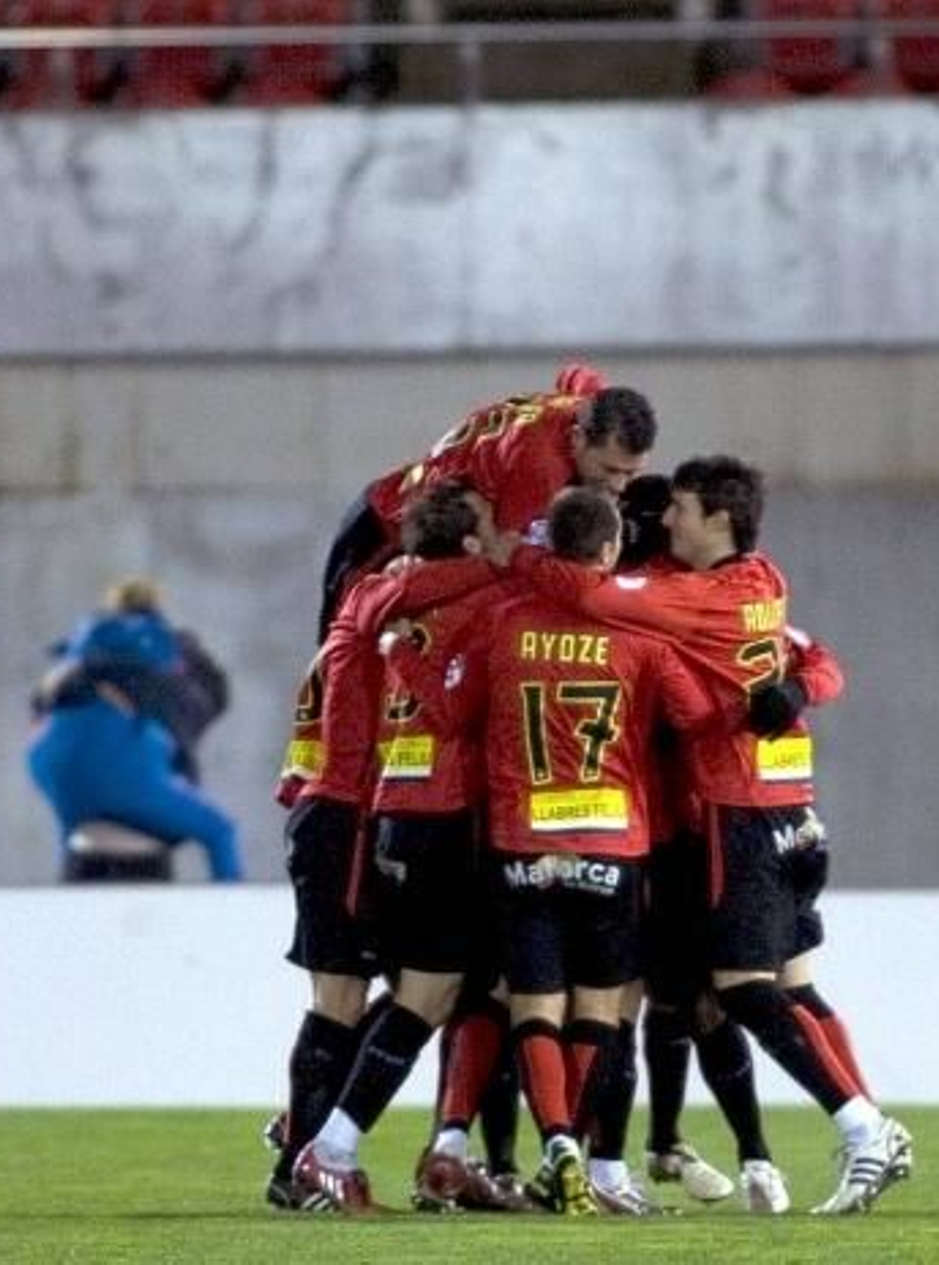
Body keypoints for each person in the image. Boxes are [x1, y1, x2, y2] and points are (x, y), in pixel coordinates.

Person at [479, 454, 914, 1217]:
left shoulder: (679, 599)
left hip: (725, 813)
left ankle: (864, 1126)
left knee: (732, 991)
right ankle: (733, 1143)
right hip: (787, 811)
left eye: (679, 507)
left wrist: (505, 548)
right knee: (771, 986)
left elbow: (582, 586)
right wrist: (803, 686)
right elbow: (821, 659)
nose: (668, 520)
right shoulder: (764, 581)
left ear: (717, 518)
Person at [448, 487, 720, 1216]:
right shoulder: (641, 638)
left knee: (534, 1005)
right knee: (600, 1010)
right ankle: (586, 1156)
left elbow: (454, 713)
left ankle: (559, 1143)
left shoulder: (502, 625)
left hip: (520, 839)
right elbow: (696, 717)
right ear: (607, 551)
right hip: (613, 840)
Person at [291, 483, 510, 1215]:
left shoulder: (375, 593)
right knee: (377, 994)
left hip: (374, 809)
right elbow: (453, 706)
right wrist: (514, 568)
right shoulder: (471, 598)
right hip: (380, 810)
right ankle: (317, 1150)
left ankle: (316, 1146)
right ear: (472, 543)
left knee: (413, 990)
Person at [317, 365, 657, 638]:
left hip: (437, 528)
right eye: (610, 469)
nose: (619, 485)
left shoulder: (590, 405)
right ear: (577, 438)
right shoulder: (538, 469)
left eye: (631, 472)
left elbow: (577, 373)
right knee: (342, 648)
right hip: (385, 531)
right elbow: (503, 554)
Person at [26, 578, 241, 881]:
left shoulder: (82, 646)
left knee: (74, 829)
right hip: (128, 775)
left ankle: (65, 905)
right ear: (156, 608)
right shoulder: (168, 647)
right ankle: (233, 916)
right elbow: (205, 702)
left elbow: (41, 704)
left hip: (55, 768)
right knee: (220, 831)